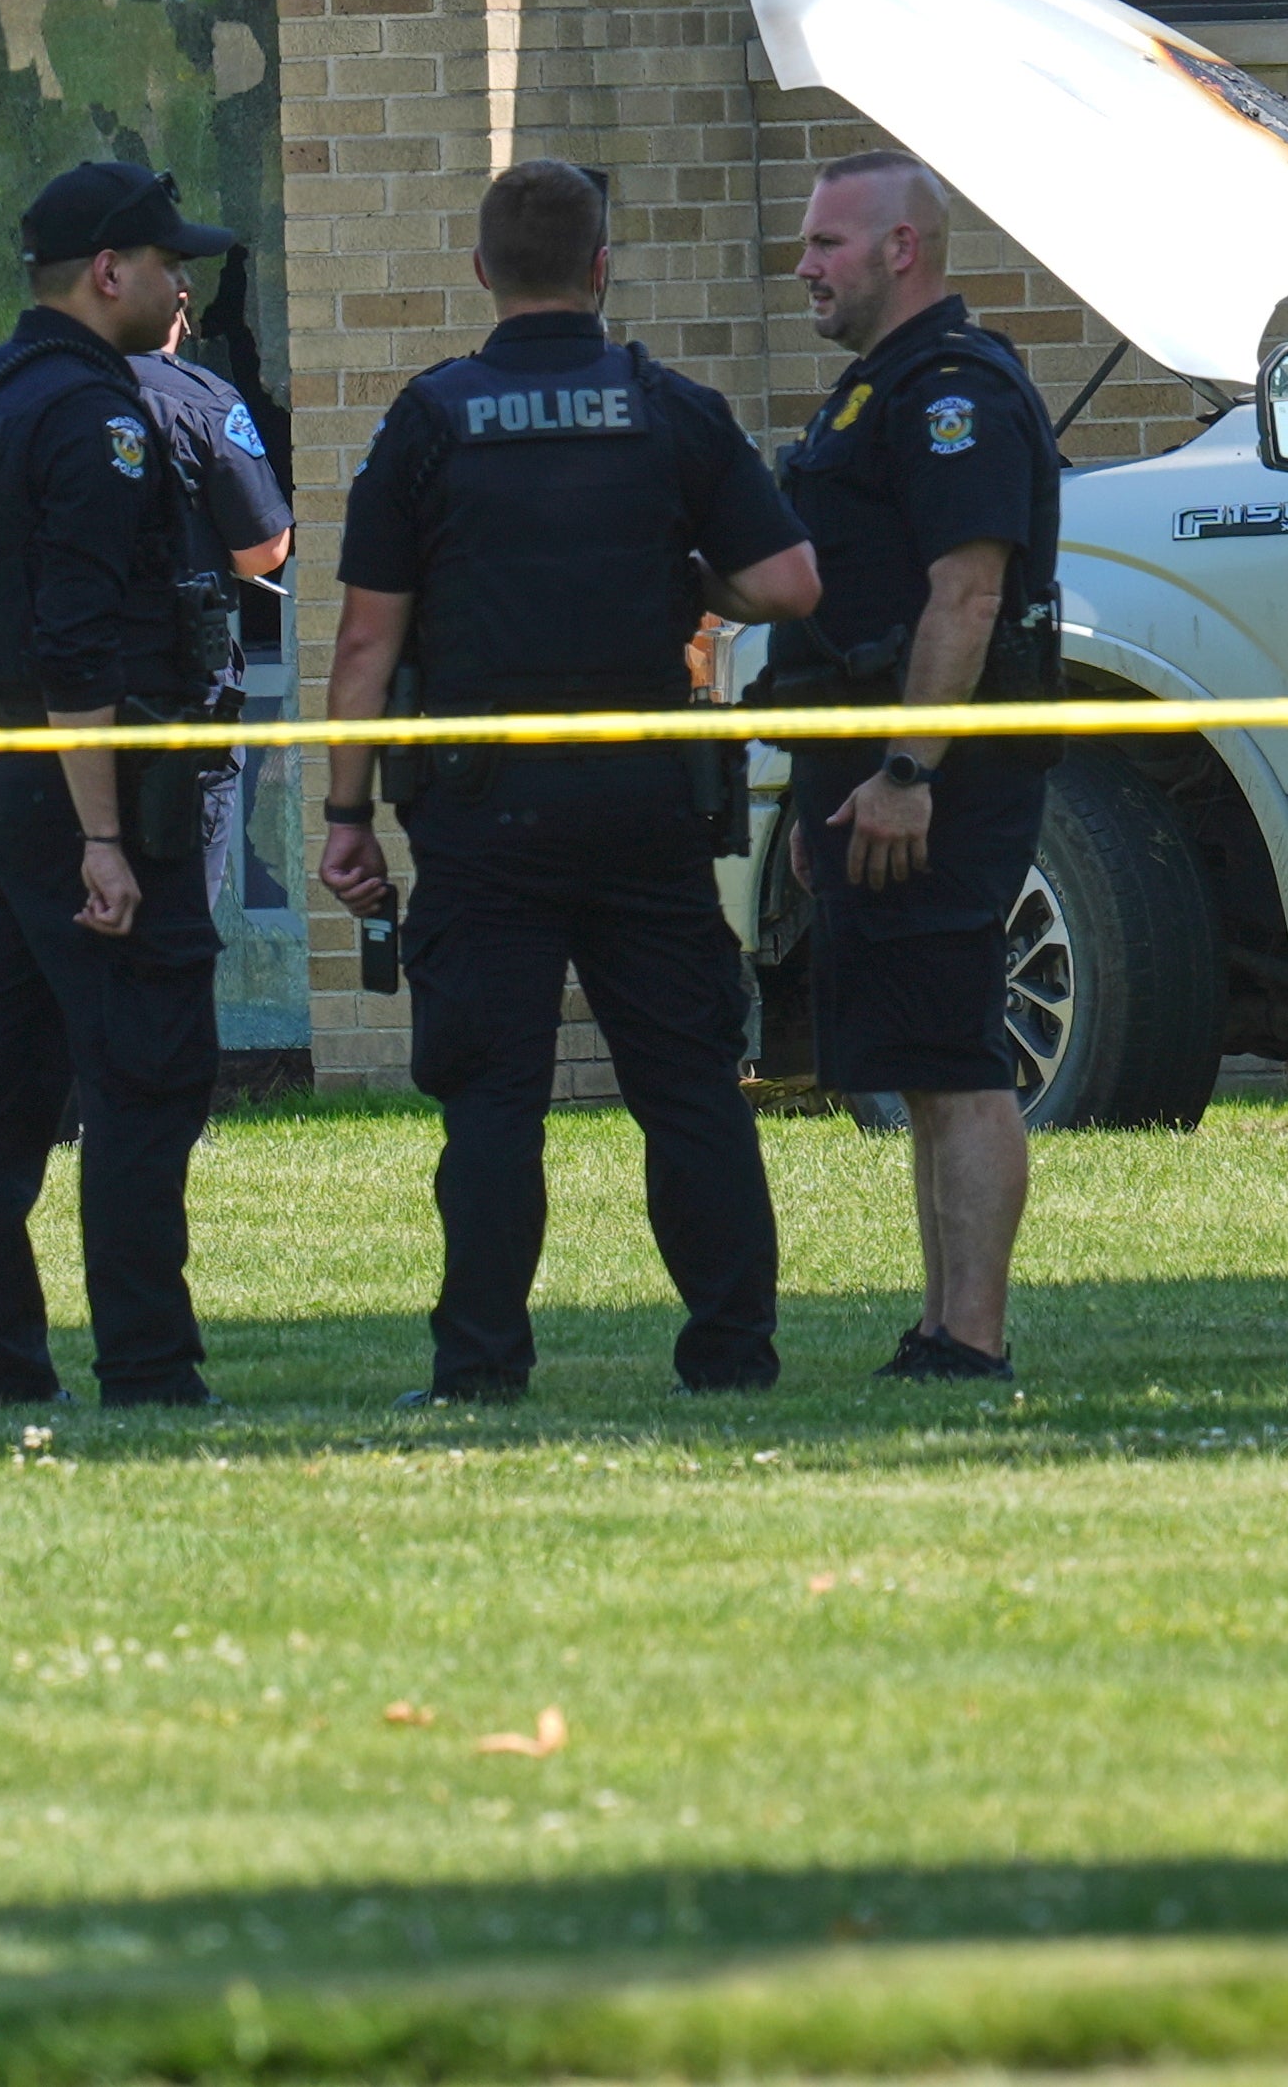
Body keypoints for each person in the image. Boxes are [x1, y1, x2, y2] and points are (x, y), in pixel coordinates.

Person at [315, 160, 823, 1403]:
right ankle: (731, 1356)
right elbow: (790, 585)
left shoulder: (426, 421)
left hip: (484, 812)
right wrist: (687, 575)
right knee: (688, 1088)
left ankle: (480, 1367)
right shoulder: (669, 408)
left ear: (483, 272)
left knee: (493, 1102)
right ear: (602, 268)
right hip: (643, 804)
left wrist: (346, 814)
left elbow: (366, 645)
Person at [0, 161, 243, 1409]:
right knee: (143, 1079)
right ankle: (150, 1369)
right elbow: (82, 646)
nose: (183, 284)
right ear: (110, 272)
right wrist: (106, 836)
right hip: (94, 786)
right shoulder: (98, 419)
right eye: (167, 263)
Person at [767, 150, 1065, 1383]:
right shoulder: (871, 393)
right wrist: (814, 791)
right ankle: (940, 1323)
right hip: (867, 775)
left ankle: (974, 1336)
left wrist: (908, 768)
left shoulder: (953, 393)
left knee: (956, 1058)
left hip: (937, 782)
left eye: (828, 243)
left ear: (903, 248)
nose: (805, 265)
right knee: (924, 1065)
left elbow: (968, 589)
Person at [130, 308, 293, 927]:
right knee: (173, 949)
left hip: (47, 720)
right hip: (175, 709)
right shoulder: (198, 401)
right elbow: (264, 550)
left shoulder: (21, 397)